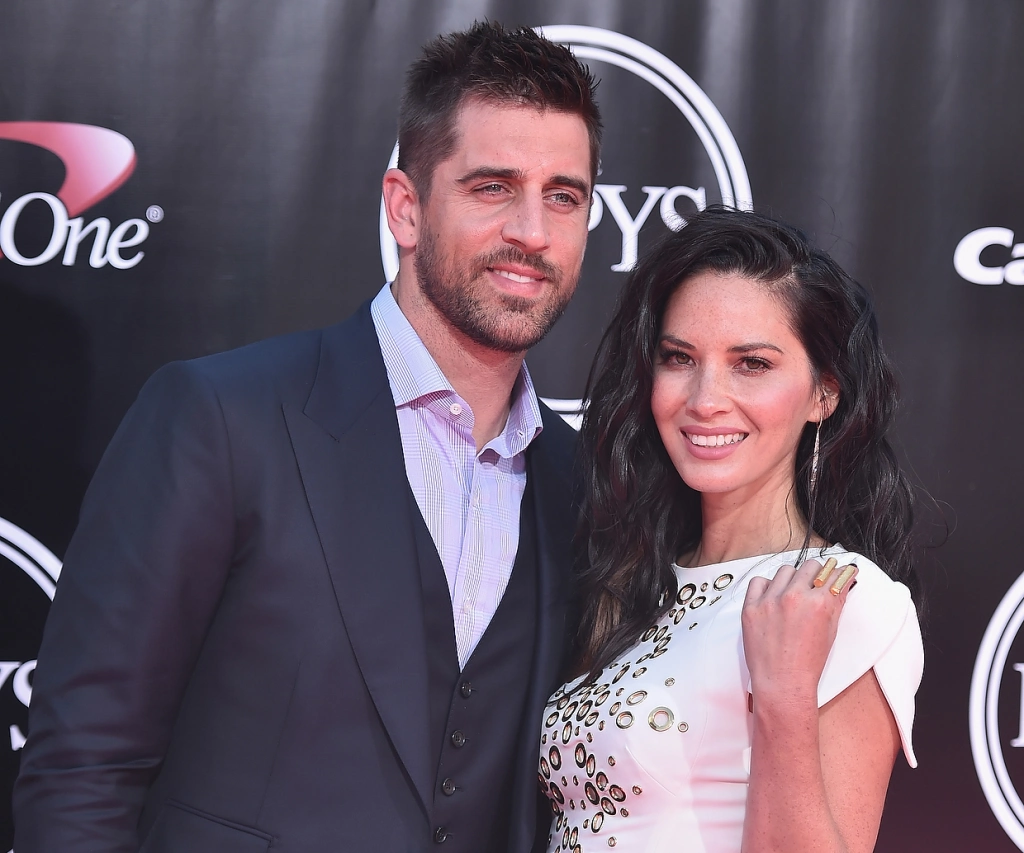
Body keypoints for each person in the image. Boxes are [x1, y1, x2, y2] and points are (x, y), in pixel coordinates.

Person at [14, 22, 601, 853]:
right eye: (492, 187)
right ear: (405, 206)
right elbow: (84, 767)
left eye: (563, 196)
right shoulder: (220, 420)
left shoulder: (580, 486)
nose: (533, 232)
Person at [539, 206, 923, 853]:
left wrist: (783, 694)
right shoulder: (632, 582)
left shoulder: (847, 598)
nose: (705, 397)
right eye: (678, 357)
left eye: (751, 363)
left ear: (824, 391)